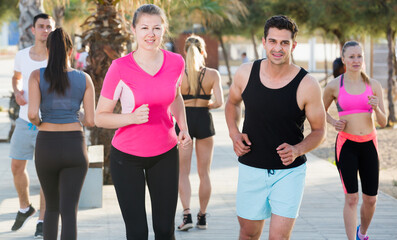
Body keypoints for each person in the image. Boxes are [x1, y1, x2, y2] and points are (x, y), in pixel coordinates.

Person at [95, 4, 191, 240]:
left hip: (165, 154)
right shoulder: (119, 68)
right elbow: (99, 117)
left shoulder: (176, 62)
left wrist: (184, 128)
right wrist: (131, 118)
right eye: (145, 27)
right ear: (134, 30)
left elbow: (176, 96)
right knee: (137, 232)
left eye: (157, 28)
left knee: (164, 230)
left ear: (164, 29)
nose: (151, 33)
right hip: (126, 158)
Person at [225, 15, 326, 240]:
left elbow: (319, 130)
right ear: (264, 42)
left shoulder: (307, 84)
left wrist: (298, 149)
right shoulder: (245, 73)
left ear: (293, 45)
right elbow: (232, 103)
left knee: (279, 237)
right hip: (251, 167)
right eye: (273, 41)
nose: (278, 48)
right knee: (248, 234)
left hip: (289, 173)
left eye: (284, 42)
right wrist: (234, 134)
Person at [27, 27, 95, 240]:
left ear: (48, 49)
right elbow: (91, 121)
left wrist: (41, 122)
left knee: (51, 208)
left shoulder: (36, 76)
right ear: (71, 50)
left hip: (46, 145)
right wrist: (76, 115)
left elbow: (31, 114)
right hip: (75, 146)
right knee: (69, 212)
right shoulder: (84, 79)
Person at [323, 41, 386, 240]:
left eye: (359, 56)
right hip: (346, 145)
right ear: (344, 60)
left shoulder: (374, 85)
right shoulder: (334, 86)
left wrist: (376, 109)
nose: (356, 60)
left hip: (369, 144)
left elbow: (384, 122)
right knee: (351, 198)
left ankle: (362, 233)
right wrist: (333, 121)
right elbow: (318, 111)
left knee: (371, 199)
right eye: (351, 57)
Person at [9, 13, 55, 238]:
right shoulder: (21, 55)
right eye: (41, 26)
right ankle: (26, 207)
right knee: (16, 166)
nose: (45, 30)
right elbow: (16, 77)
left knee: (44, 172)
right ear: (33, 30)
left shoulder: (57, 56)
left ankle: (43, 220)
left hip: (48, 123)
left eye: (48, 27)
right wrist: (17, 91)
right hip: (24, 120)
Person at [176, 35, 224, 231]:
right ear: (203, 52)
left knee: (183, 172)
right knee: (205, 173)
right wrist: (205, 104)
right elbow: (219, 102)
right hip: (204, 119)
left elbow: (171, 100)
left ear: (185, 51)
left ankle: (186, 216)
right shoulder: (212, 74)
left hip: (184, 122)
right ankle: (202, 217)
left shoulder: (179, 73)